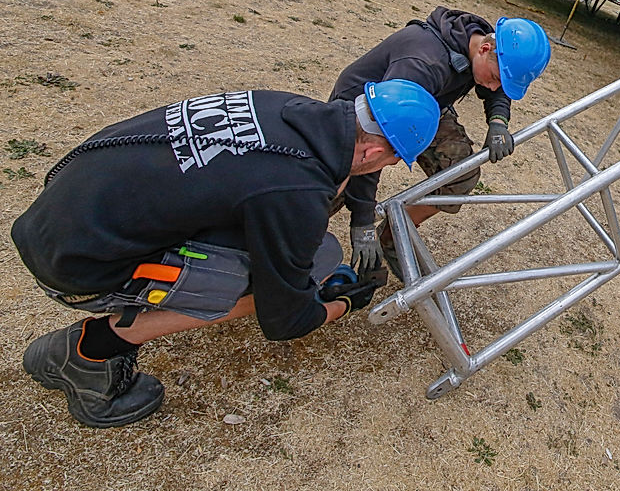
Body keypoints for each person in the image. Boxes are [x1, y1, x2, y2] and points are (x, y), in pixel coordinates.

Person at [13, 80, 440, 428]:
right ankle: (90, 351)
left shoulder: (287, 108)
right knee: (306, 270)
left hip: (56, 219)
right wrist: (341, 302)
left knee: (313, 251)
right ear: (373, 152)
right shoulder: (297, 189)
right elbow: (285, 320)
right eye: (388, 161)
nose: (381, 170)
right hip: (75, 267)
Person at [328, 7, 552, 280]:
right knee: (335, 183)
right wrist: (362, 220)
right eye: (495, 79)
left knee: (460, 174)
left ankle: (394, 237)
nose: (494, 87)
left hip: (425, 104)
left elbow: (500, 85)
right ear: (484, 49)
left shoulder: (477, 45)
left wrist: (498, 120)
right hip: (365, 117)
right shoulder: (424, 64)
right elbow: (376, 139)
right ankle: (284, 243)